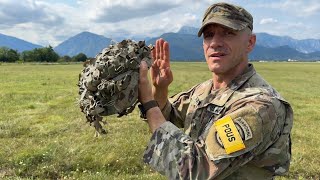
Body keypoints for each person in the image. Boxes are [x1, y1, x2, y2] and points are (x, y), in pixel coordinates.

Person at [138, 2, 293, 179]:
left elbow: (195, 172)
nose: (215, 43)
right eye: (208, 35)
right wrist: (160, 89)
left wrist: (148, 101)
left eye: (228, 33)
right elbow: (168, 116)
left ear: (250, 42)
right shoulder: (204, 90)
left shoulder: (260, 106)